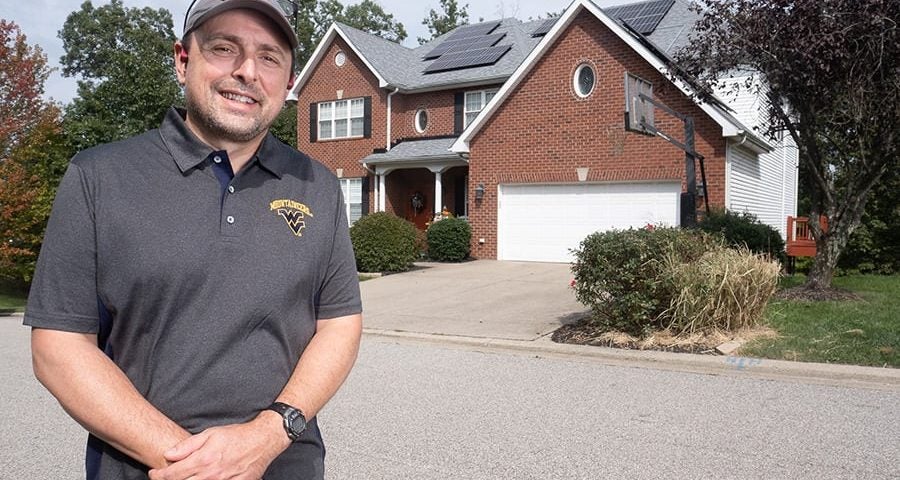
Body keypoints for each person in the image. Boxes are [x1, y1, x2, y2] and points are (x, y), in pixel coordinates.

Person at [24, 0, 363, 478]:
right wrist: (192, 462)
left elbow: (339, 325)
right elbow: (58, 347)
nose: (247, 71)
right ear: (183, 60)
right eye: (225, 48)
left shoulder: (319, 186)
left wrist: (267, 435)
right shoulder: (99, 177)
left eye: (269, 57)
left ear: (288, 83)